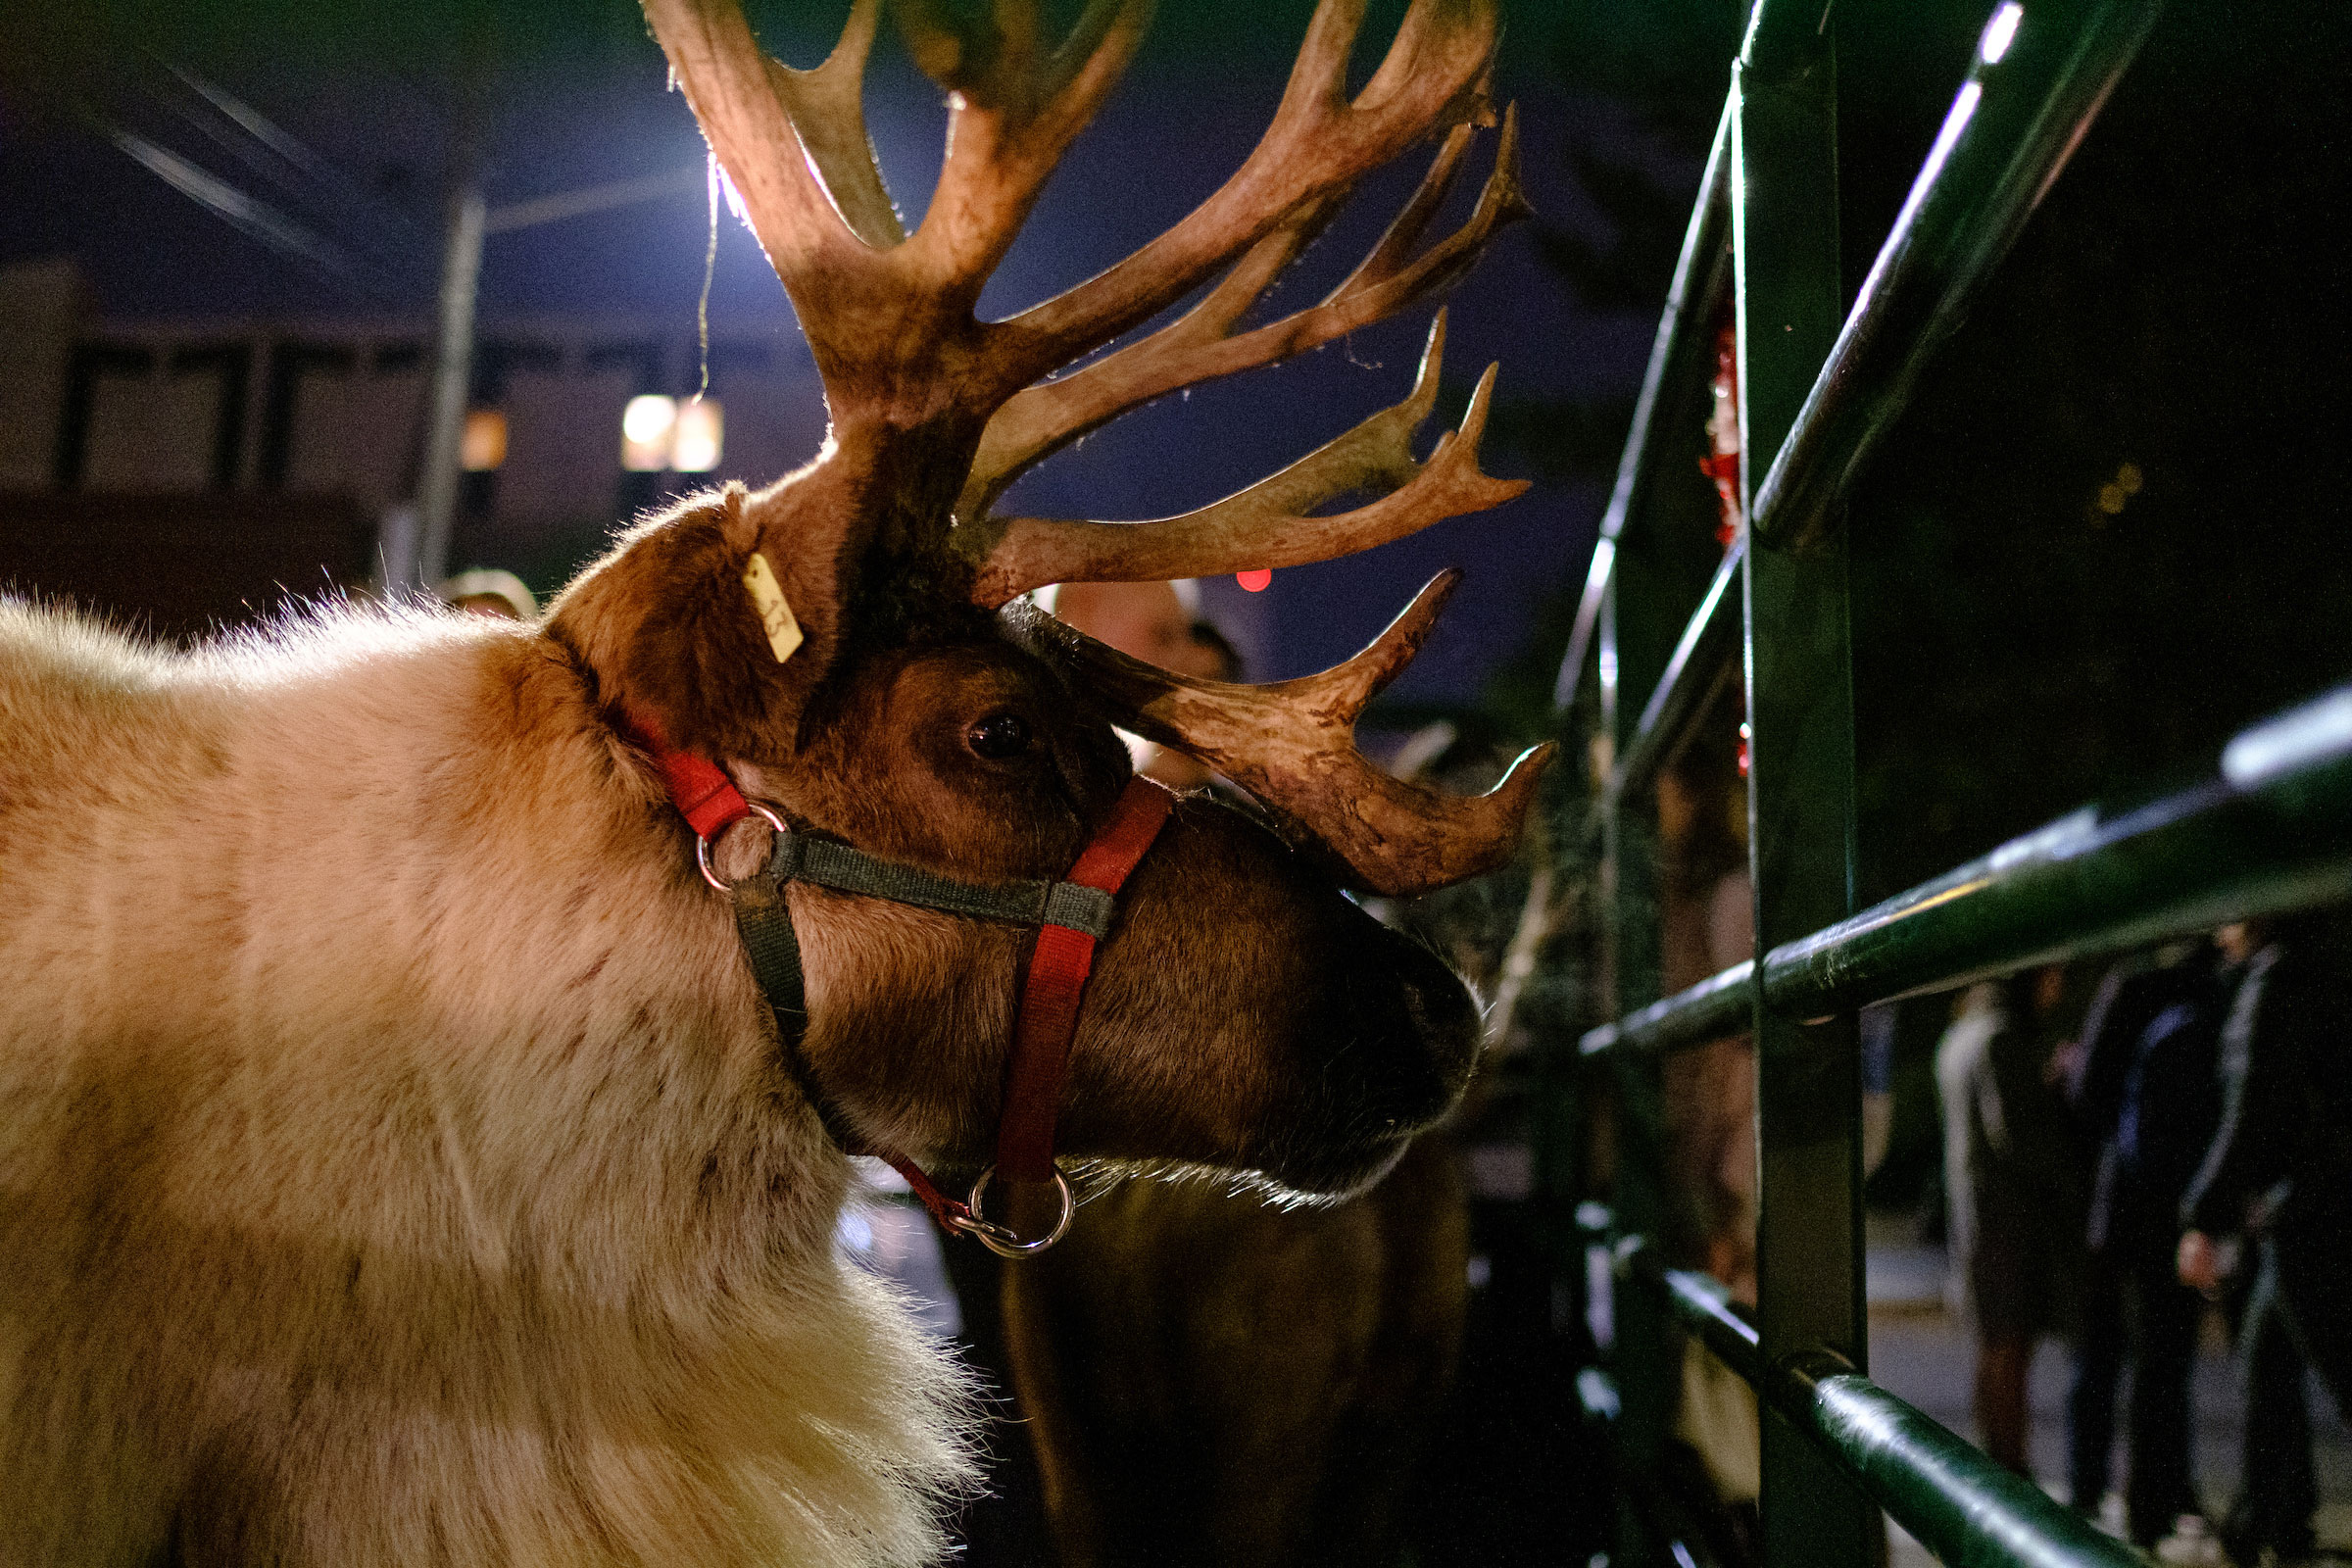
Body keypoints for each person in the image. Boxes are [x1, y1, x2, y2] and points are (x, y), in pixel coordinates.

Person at [2177, 917, 2352, 1564]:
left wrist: (2202, 1215)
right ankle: (2256, 1525)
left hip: (2306, 1206)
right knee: (2266, 1365)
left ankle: (2257, 1525)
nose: (2219, 933)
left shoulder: (2275, 982)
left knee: (2325, 1365)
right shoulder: (2324, 964)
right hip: (2309, 1203)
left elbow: (2251, 1111)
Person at [2065, 938, 2232, 1544]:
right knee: (2167, 1355)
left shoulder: (2129, 982)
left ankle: (2085, 1489)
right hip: (2183, 1196)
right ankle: (2156, 1499)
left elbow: (2087, 1094)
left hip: (2120, 1198)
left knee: (2101, 1349)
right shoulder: (2217, 987)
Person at [1938, 967, 2073, 1476]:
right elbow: (2015, 1134)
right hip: (2009, 1220)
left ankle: (1993, 1457)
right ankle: (2008, 1463)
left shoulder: (1960, 1035)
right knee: (2011, 1346)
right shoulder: (2000, 1039)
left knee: (1991, 1342)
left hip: (1975, 1214)